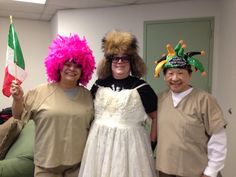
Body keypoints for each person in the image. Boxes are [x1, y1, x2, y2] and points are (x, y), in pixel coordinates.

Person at [10, 34, 95, 177]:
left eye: (77, 66)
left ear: (84, 70)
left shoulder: (88, 96)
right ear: (58, 65)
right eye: (67, 64)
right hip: (46, 167)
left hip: (78, 166)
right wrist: (18, 99)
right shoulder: (40, 91)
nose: (72, 69)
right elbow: (17, 115)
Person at [78, 30, 158, 177]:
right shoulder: (98, 85)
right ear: (109, 61)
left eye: (125, 58)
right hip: (99, 144)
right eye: (115, 58)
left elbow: (156, 116)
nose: (120, 62)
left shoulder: (142, 87)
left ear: (132, 61)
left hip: (131, 148)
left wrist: (152, 142)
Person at [154, 40, 227, 177]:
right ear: (164, 76)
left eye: (180, 73)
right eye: (170, 73)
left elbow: (218, 138)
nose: (175, 78)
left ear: (190, 74)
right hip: (165, 169)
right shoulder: (160, 99)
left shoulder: (204, 100)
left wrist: (211, 171)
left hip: (196, 171)